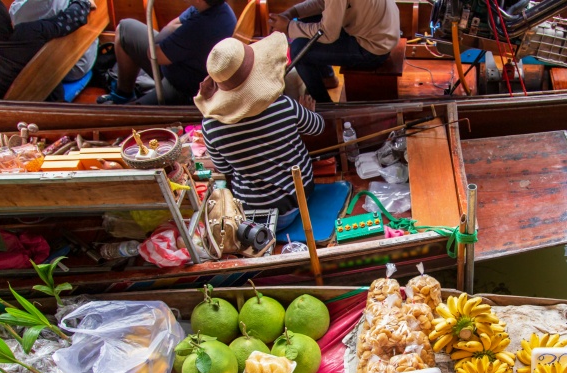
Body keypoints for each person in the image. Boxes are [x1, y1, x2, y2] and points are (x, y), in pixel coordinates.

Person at [195, 34, 325, 230]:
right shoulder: (283, 105)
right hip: (299, 201)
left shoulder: (210, 126)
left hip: (255, 214)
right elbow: (318, 127)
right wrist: (307, 112)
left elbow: (226, 170)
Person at [98, 0, 236, 105]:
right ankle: (123, 94)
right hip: (176, 64)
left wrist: (166, 38)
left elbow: (154, 55)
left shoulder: (200, 27)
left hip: (183, 90)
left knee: (128, 117)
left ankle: (130, 103)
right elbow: (174, 25)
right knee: (124, 29)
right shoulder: (215, 8)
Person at [268, 0, 400, 103]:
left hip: (373, 49)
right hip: (382, 34)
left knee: (299, 50)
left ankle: (324, 104)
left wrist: (288, 26)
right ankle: (328, 78)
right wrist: (292, 13)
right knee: (306, 19)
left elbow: (328, 34)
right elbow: (323, 3)